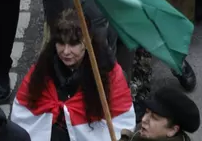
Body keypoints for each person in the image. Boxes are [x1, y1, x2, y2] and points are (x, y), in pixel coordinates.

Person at [12, 9, 135, 138]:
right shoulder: (43, 69)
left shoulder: (109, 73)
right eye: (60, 43)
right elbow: (23, 109)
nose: (65, 51)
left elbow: (122, 118)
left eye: (73, 44)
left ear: (88, 41)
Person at [126, 84, 199, 141]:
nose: (144, 119)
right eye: (147, 112)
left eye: (154, 118)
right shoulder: (147, 132)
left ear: (172, 130)